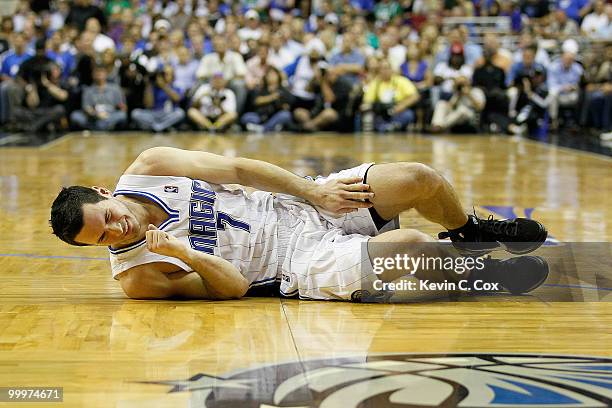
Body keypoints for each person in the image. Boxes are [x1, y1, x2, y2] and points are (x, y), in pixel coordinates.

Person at [50, 147, 549, 301]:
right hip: (297, 262)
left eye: (108, 217)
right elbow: (235, 288)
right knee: (413, 244)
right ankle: (486, 275)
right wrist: (187, 255)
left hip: (301, 207)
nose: (117, 232)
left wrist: (314, 191)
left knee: (419, 178)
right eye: (103, 238)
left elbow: (241, 170)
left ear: (104, 192)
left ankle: (467, 232)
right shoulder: (139, 277)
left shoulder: (151, 166)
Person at [70, 65, 128, 130]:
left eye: (101, 71)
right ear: (92, 75)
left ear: (106, 74)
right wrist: (96, 114)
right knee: (75, 115)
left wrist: (121, 107)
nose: (99, 73)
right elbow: (86, 108)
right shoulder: (88, 90)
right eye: (96, 72)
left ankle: (99, 127)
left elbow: (122, 107)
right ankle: (101, 127)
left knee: (122, 115)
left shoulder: (115, 88)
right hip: (94, 117)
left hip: (110, 116)